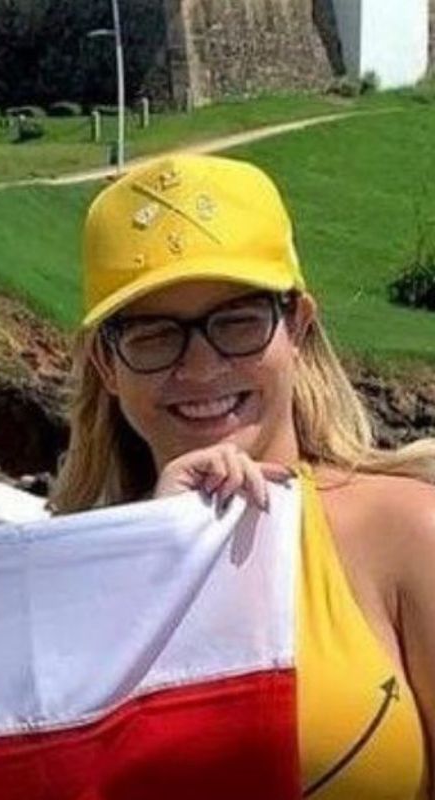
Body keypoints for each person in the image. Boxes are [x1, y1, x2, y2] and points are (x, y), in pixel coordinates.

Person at [50, 154, 435, 795]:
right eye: (153, 333)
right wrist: (156, 546)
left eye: (237, 321)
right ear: (107, 363)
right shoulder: (75, 581)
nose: (201, 365)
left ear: (298, 328)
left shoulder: (406, 532)